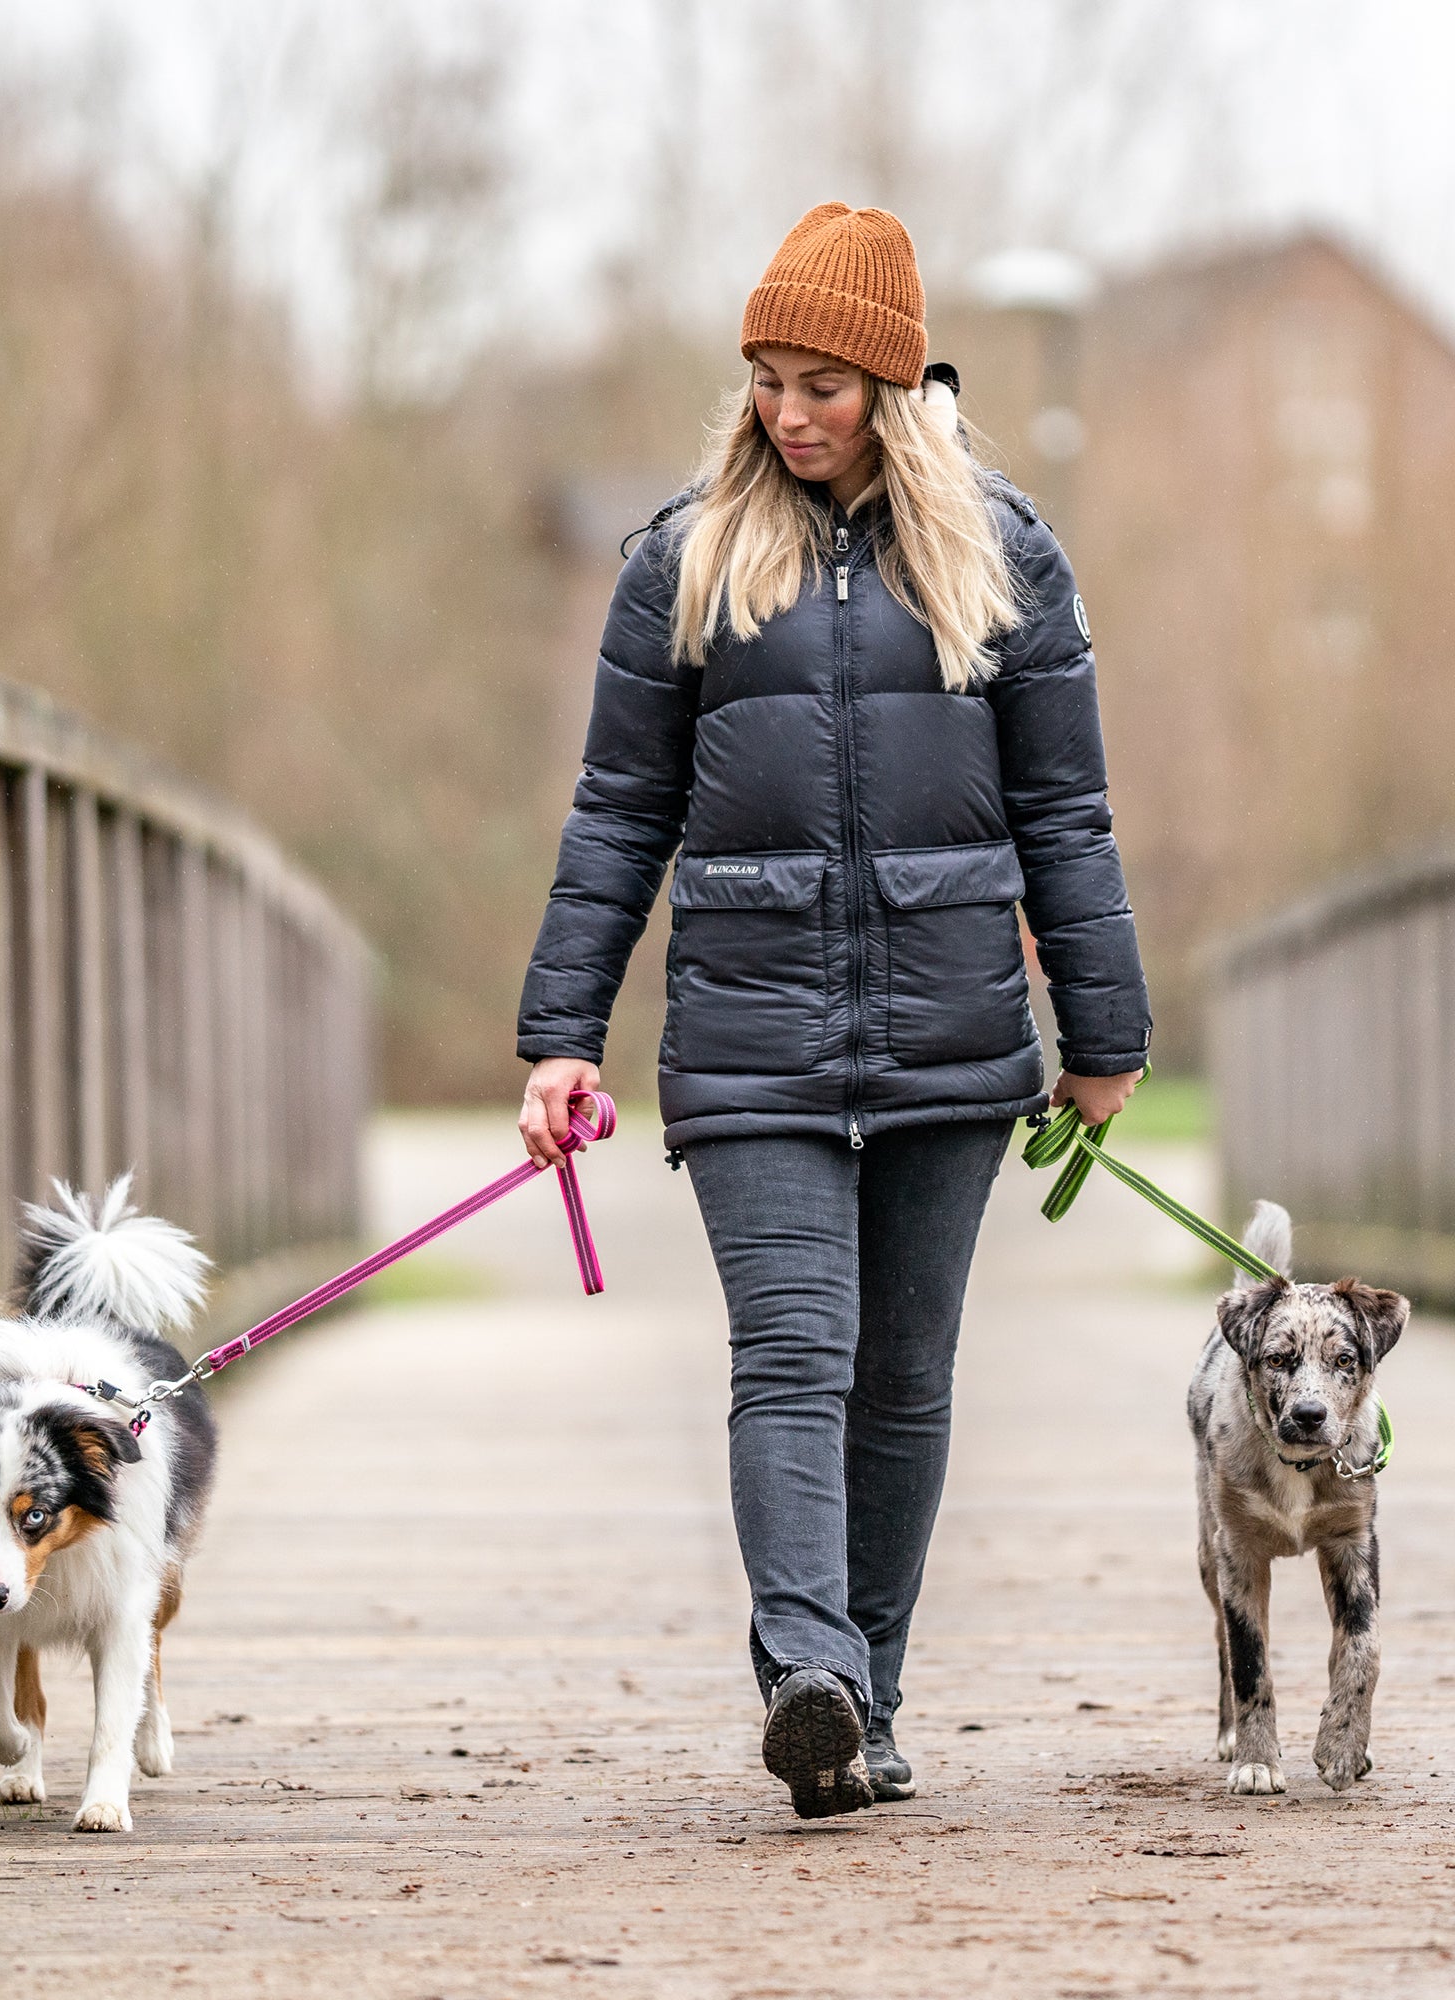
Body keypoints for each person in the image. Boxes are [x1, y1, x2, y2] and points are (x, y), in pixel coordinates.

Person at [514, 203, 1150, 1820]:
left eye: (822, 385)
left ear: (891, 384)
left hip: (947, 1029)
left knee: (908, 1378)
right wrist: (560, 1035)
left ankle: (864, 1704)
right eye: (766, 382)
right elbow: (614, 814)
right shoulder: (687, 558)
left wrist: (1104, 1035)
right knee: (793, 1352)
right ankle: (809, 1669)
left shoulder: (1004, 556)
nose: (788, 413)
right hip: (752, 1032)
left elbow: (1067, 815)